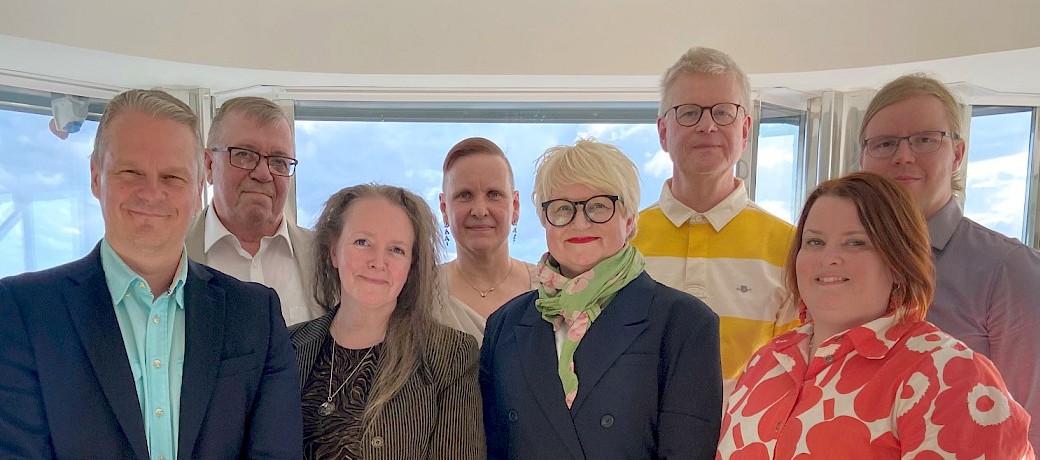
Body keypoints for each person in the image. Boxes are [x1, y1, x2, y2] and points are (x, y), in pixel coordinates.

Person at [0, 89, 301, 458]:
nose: (152, 192)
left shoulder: (255, 314)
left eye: (172, 176)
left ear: (197, 189)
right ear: (96, 176)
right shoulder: (22, 312)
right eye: (131, 172)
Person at [717, 172, 1032, 458]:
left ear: (898, 261)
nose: (829, 258)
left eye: (856, 243)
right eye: (814, 241)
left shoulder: (949, 374)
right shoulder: (767, 361)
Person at [481, 139, 722, 459]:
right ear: (545, 221)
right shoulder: (504, 325)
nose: (580, 222)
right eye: (562, 208)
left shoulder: (685, 323)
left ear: (629, 219)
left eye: (598, 206)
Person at [858, 74, 1040, 449]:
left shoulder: (1009, 269)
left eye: (925, 140)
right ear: (863, 158)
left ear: (957, 154)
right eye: (885, 143)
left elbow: (1031, 426)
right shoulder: (839, 263)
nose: (903, 156)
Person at [632, 46, 796, 401]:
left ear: (745, 129)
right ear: (663, 132)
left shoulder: (792, 247)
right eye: (689, 113)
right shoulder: (623, 242)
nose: (707, 125)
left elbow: (796, 372)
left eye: (723, 112)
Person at [289, 184, 483, 459]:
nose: (378, 262)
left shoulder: (450, 355)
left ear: (411, 266)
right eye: (362, 242)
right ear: (333, 252)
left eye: (396, 250)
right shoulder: (287, 346)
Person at [186, 96, 318, 326]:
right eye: (244, 155)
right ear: (208, 165)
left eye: (278, 161)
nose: (263, 174)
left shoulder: (326, 258)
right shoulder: (169, 254)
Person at [436, 137, 537, 344]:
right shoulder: (419, 294)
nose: (480, 211)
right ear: (444, 209)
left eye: (494, 194)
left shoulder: (549, 290)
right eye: (465, 195)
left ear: (515, 206)